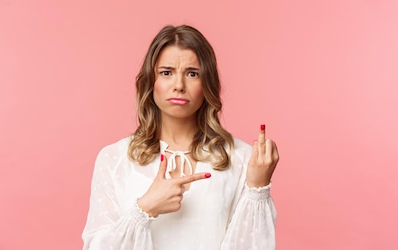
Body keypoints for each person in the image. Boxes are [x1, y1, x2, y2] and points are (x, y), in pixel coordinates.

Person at [82, 24, 279, 250]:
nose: (179, 86)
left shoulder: (242, 158)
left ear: (207, 84)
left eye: (192, 74)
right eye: (166, 73)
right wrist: (144, 209)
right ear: (150, 81)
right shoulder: (114, 159)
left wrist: (258, 187)